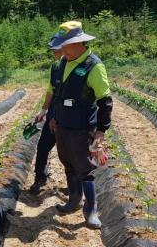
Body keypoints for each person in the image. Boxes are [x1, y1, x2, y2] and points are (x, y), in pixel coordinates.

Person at [48, 21, 113, 229]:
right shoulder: (65, 63)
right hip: (62, 126)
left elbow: (105, 102)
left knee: (84, 168)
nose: (61, 50)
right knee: (67, 163)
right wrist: (53, 117)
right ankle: (74, 200)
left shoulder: (94, 66)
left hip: (82, 127)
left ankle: (91, 210)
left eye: (64, 45)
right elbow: (59, 94)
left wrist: (100, 133)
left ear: (78, 43)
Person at [29, 39, 63, 194]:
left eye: (56, 50)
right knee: (43, 146)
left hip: (71, 118)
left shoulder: (77, 67)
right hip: (53, 114)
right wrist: (43, 110)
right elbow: (51, 90)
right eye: (53, 50)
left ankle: (76, 188)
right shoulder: (55, 66)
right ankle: (40, 179)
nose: (54, 53)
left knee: (71, 153)